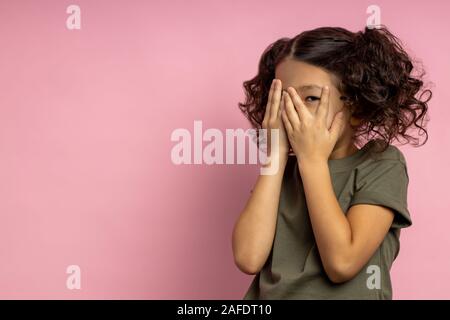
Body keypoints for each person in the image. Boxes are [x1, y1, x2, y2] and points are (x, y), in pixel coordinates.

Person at [232, 25, 431, 299]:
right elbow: (248, 258)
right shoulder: (280, 173)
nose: (292, 111)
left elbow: (342, 263)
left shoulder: (381, 164)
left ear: (357, 107)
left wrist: (312, 162)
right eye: (282, 100)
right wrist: (275, 157)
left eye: (311, 98)